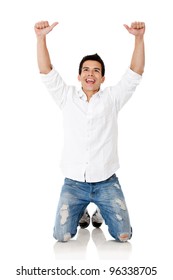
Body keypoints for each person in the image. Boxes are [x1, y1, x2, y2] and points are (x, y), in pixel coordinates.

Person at [34, 20, 145, 242]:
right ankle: (81, 209)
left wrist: (139, 39)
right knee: (61, 236)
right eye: (85, 70)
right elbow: (46, 71)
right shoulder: (66, 97)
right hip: (73, 183)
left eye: (96, 70)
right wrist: (40, 38)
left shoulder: (112, 98)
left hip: (106, 181)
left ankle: (102, 210)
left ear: (102, 78)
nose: (90, 74)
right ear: (79, 76)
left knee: (123, 236)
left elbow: (135, 73)